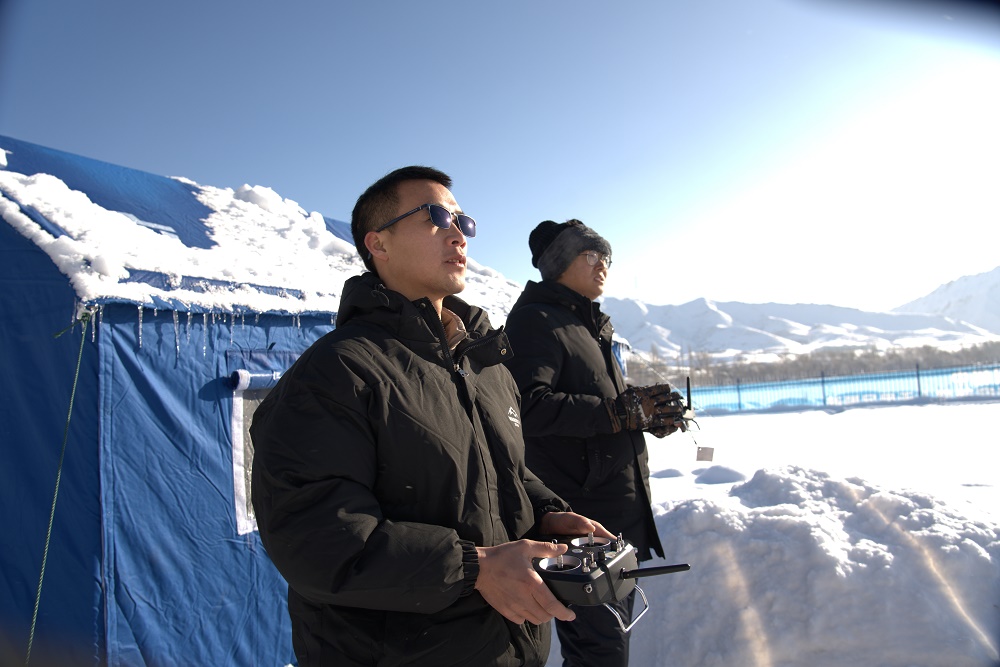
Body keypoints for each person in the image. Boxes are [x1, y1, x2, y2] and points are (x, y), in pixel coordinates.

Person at [250, 167, 614, 667]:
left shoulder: (483, 362)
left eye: (463, 220)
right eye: (435, 217)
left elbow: (498, 470)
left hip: (506, 646)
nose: (457, 232)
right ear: (378, 244)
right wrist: (476, 567)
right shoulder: (337, 372)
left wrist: (546, 511)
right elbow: (312, 535)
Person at [503, 219, 687, 667]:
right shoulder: (536, 320)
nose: (603, 264)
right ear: (559, 263)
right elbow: (526, 407)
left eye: (606, 256)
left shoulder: (588, 325)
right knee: (598, 652)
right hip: (581, 518)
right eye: (591, 255)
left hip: (615, 514)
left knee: (605, 647)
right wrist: (619, 413)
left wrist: (640, 419)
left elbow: (597, 413)